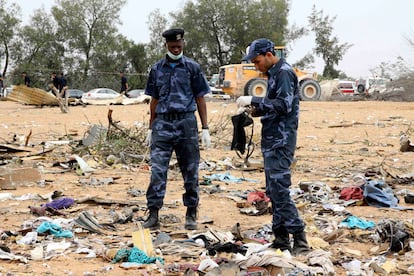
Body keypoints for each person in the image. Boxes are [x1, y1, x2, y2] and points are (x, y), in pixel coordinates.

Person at [236, 38, 310, 256]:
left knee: (280, 191)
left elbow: (284, 105)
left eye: (257, 61)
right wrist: (254, 111)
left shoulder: (285, 73)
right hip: (272, 140)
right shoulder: (274, 74)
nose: (257, 66)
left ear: (269, 54)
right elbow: (274, 106)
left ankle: (299, 238)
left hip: (281, 141)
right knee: (273, 192)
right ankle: (280, 239)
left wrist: (255, 99)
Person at [142, 28, 211, 230]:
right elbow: (154, 100)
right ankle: (153, 213)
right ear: (166, 46)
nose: (176, 49)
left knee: (190, 171)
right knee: (157, 171)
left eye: (179, 47)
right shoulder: (156, 69)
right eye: (172, 47)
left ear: (183, 45)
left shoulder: (192, 67)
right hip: (162, 124)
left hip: (186, 123)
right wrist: (150, 127)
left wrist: (205, 127)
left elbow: (200, 97)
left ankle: (191, 212)